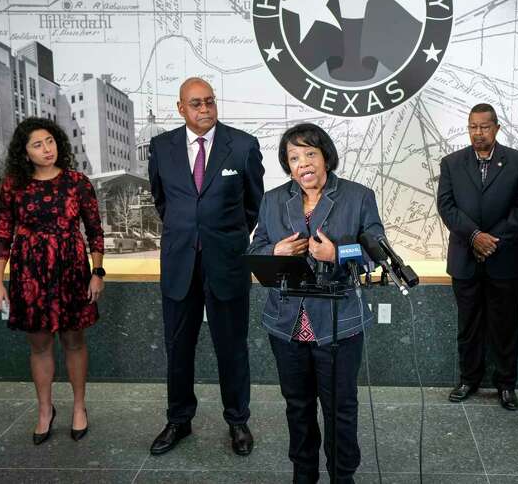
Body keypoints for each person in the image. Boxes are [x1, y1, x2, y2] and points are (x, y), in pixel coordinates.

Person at [247, 123, 384, 484]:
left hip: (339, 323)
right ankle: (303, 474)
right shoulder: (273, 200)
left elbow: (376, 253)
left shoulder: (358, 196)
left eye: (310, 153)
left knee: (341, 409)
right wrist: (274, 250)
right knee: (298, 406)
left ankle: (343, 475)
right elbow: (255, 250)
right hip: (286, 322)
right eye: (293, 157)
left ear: (325, 157)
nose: (303, 163)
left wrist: (337, 251)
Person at [147, 77, 264, 456]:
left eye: (210, 101)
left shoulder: (242, 146)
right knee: (177, 346)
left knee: (232, 346)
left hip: (226, 262)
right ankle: (178, 419)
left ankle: (238, 421)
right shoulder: (161, 147)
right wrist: (190, 230)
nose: (204, 109)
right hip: (180, 261)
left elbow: (254, 205)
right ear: (181, 108)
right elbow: (162, 201)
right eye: (195, 103)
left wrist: (225, 236)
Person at [0, 117, 105, 445]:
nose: (46, 149)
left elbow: (95, 230)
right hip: (30, 275)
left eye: (50, 141)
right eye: (37, 144)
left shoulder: (77, 182)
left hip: (71, 273)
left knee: (74, 341)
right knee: (39, 345)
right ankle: (44, 410)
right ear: (24, 152)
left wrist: (97, 273)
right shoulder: (14, 185)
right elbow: (2, 235)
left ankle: (79, 407)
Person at [437, 103, 518, 409]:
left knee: (506, 325)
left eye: (484, 127)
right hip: (465, 257)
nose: (478, 133)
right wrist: (474, 236)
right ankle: (469, 379)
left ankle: (506, 385)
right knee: (469, 324)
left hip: (504, 256)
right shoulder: (452, 163)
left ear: (496, 128)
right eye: (472, 127)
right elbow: (446, 205)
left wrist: (493, 240)